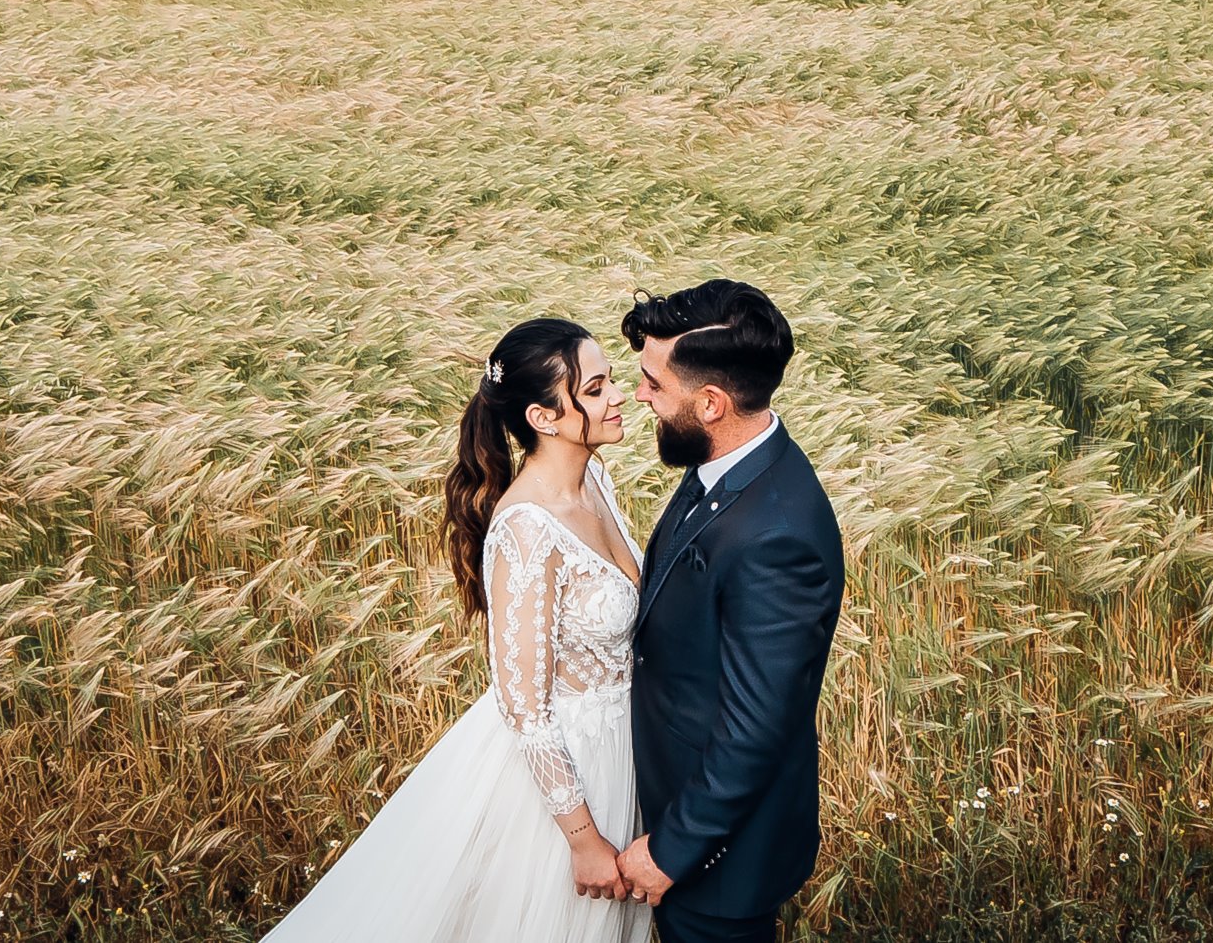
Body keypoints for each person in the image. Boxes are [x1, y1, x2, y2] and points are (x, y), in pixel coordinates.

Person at [258, 317, 651, 943]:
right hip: (565, 778)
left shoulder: (595, 481)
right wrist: (582, 839)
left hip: (618, 751)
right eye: (596, 389)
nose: (619, 395)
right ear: (543, 417)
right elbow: (525, 709)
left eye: (609, 381)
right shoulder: (526, 529)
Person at [617, 281, 846, 943]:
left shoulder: (776, 537)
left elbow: (755, 729)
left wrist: (672, 850)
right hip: (675, 804)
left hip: (720, 864)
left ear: (711, 403)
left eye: (654, 383)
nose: (641, 396)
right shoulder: (725, 463)